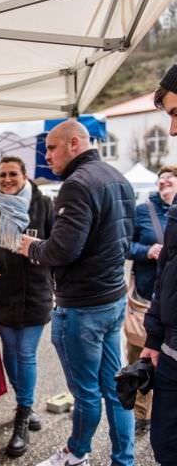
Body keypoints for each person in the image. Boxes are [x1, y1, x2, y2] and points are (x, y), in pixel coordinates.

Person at [19, 119, 135, 466]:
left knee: (85, 394)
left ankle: (75, 453)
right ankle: (124, 459)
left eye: (51, 149)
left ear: (74, 143)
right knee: (116, 389)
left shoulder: (77, 184)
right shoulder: (119, 178)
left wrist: (31, 247)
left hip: (83, 307)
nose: (47, 157)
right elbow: (124, 242)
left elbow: (62, 250)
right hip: (112, 299)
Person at [0, 157, 53, 457]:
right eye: (2, 174)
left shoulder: (43, 204)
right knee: (11, 353)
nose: (7, 179)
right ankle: (26, 403)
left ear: (25, 175)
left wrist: (46, 264)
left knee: (26, 354)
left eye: (13, 174)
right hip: (2, 293)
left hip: (35, 293)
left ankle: (22, 414)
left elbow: (57, 244)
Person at [142, 63, 177, 466]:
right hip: (170, 353)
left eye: (174, 113)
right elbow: (171, 267)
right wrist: (154, 340)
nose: (171, 130)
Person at [126, 164, 177, 434]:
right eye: (160, 179)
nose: (163, 181)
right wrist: (146, 251)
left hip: (173, 307)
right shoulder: (143, 211)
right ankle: (142, 413)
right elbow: (125, 245)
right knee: (141, 357)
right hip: (146, 299)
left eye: (169, 178)